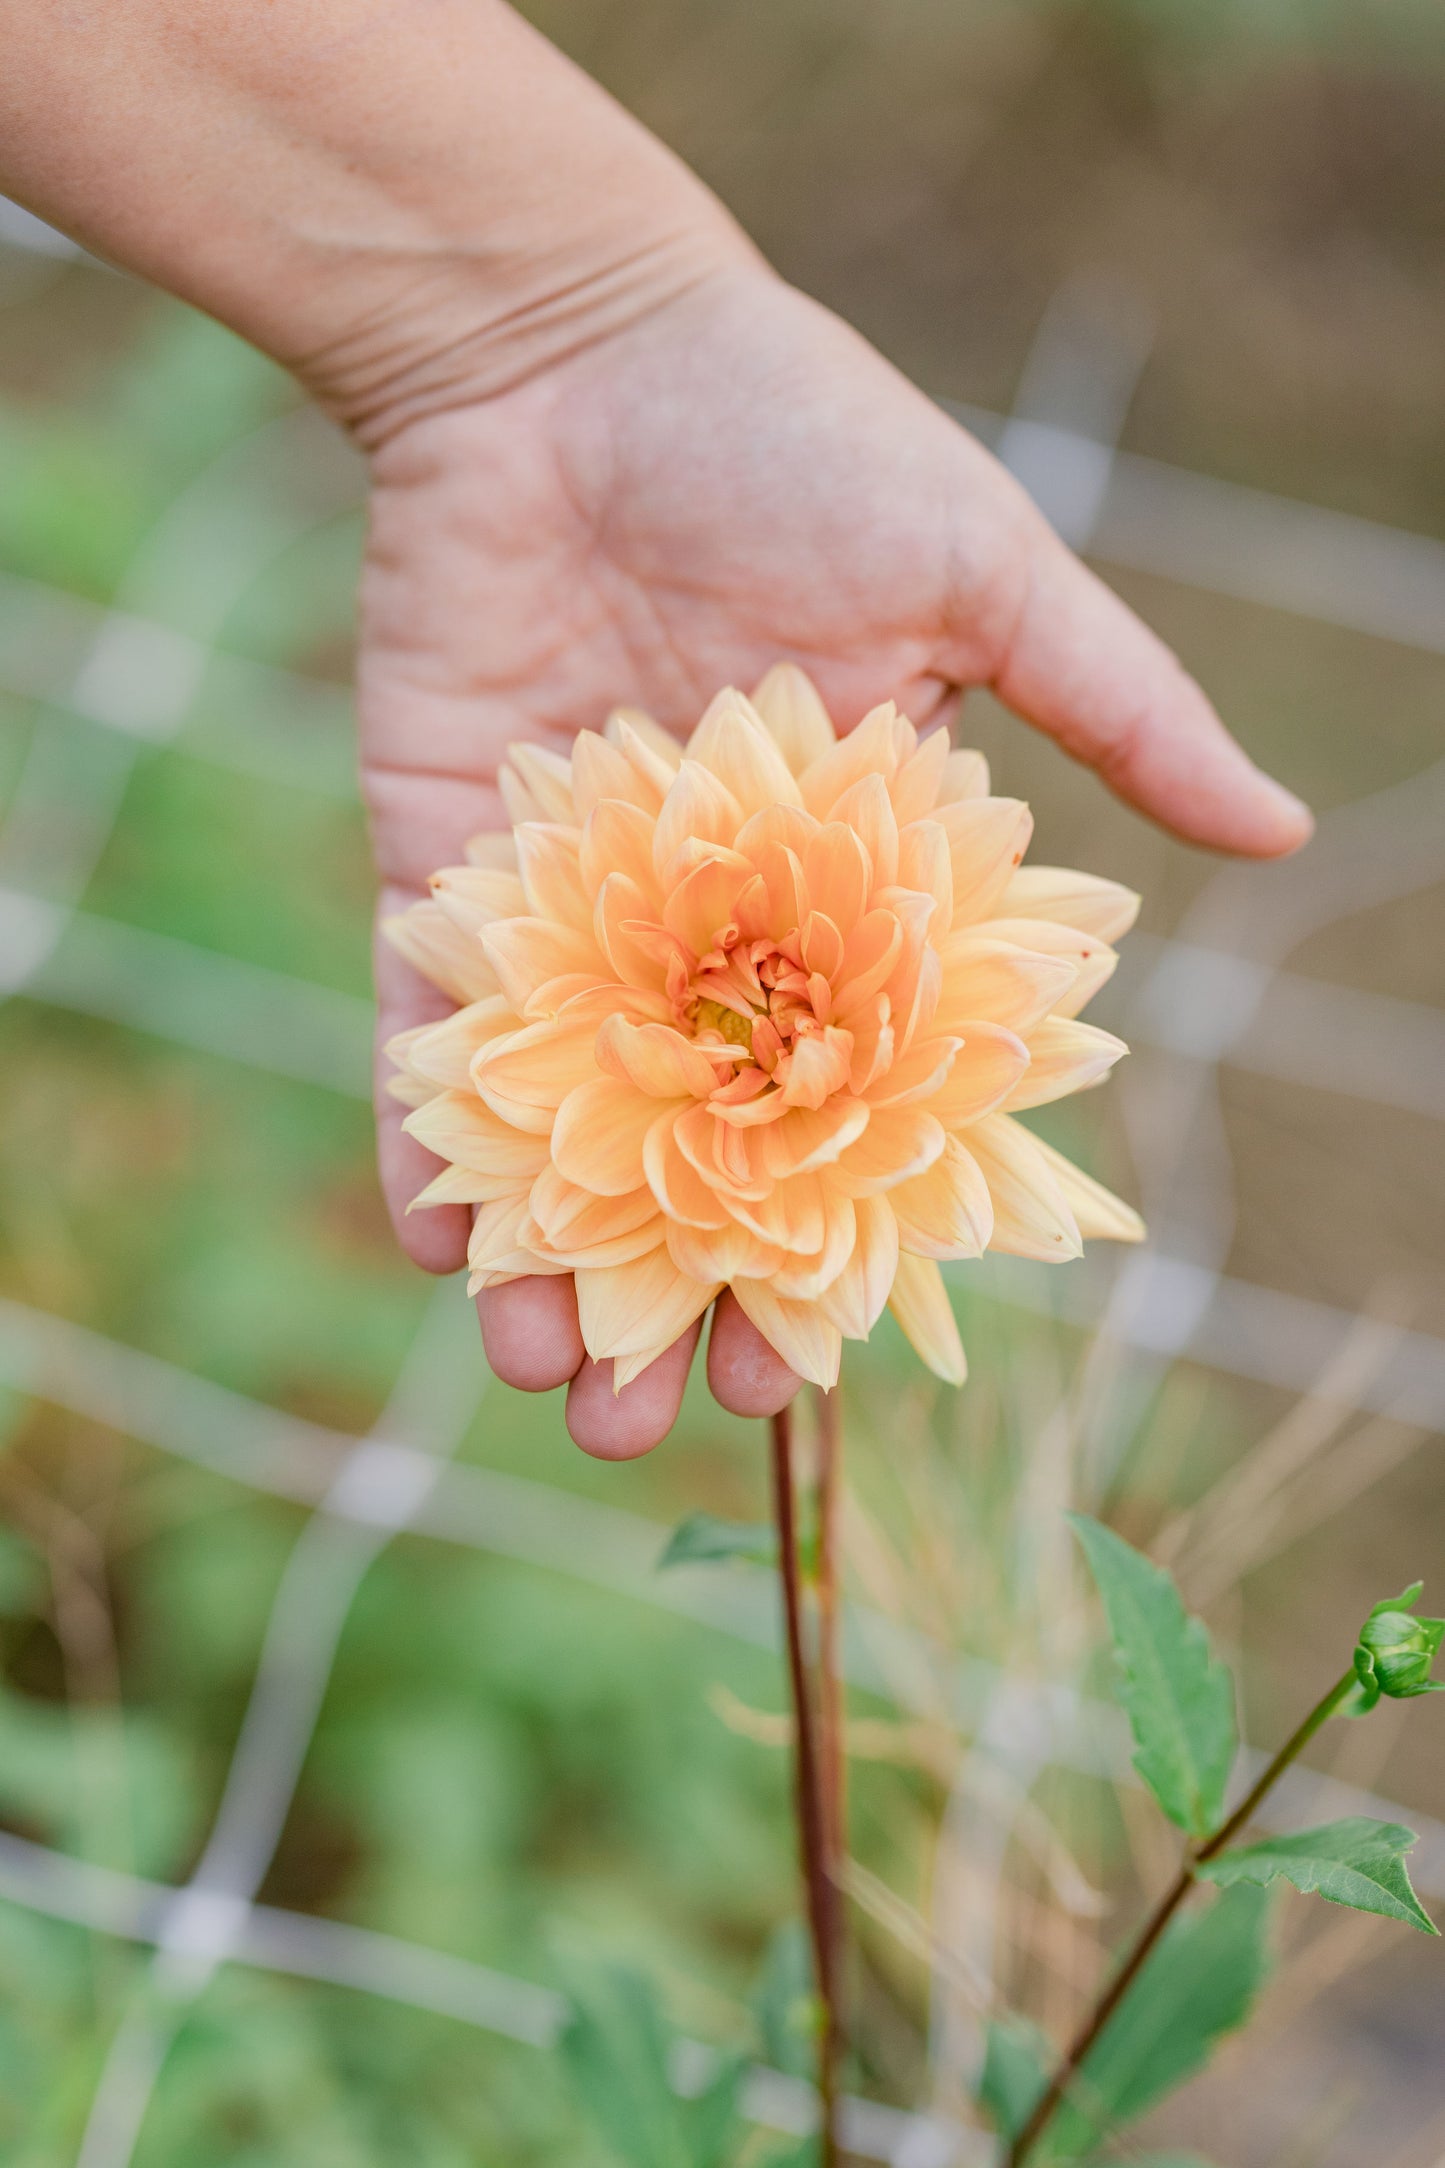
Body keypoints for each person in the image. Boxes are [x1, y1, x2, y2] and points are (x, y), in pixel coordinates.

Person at [1, 1, 1311, 1457]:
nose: (743, 1025)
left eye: (748, 1022)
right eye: (743, 1017)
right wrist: (559, 317)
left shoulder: (933, 994)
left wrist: (568, 312)